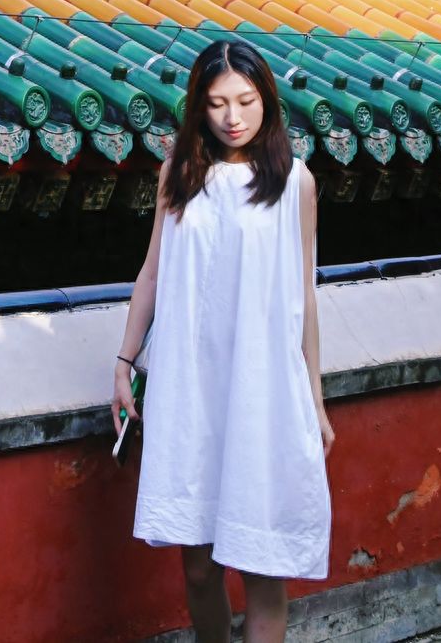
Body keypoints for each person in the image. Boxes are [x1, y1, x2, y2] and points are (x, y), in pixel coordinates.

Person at [111, 38, 334, 643]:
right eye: (217, 103)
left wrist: (314, 401)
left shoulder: (295, 184)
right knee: (199, 565)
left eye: (246, 100)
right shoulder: (178, 175)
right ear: (198, 108)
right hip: (191, 391)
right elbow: (152, 272)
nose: (233, 117)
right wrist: (124, 361)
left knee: (263, 573)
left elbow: (303, 298)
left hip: (264, 390)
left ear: (267, 101)